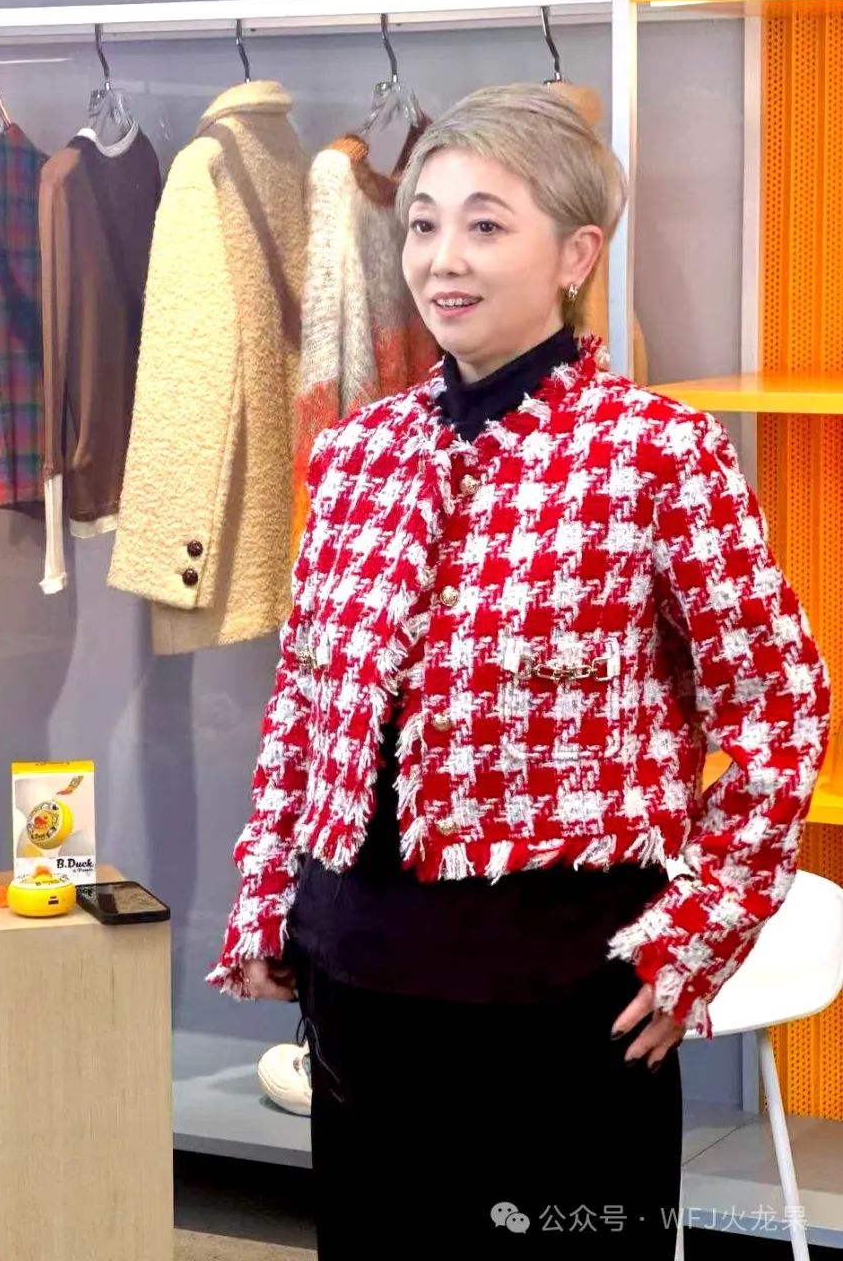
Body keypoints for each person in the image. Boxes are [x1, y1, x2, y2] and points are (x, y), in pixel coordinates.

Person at [207, 84, 831, 1259]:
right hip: (356, 982)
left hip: (562, 1000)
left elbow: (780, 705)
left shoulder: (658, 453)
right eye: (424, 223)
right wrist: (271, 900)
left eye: (486, 225)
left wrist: (701, 933)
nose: (442, 258)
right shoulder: (360, 453)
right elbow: (306, 705)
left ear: (575, 255)